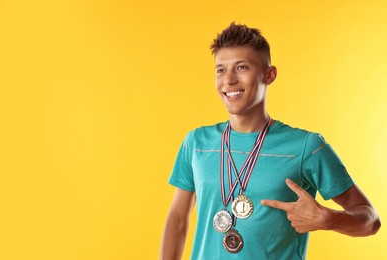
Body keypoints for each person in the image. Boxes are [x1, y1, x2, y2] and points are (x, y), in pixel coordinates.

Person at [160, 22, 381, 259]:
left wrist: (330, 219)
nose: (229, 80)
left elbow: (370, 219)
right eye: (221, 70)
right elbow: (177, 220)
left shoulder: (306, 147)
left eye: (241, 67)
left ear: (269, 75)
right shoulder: (196, 142)